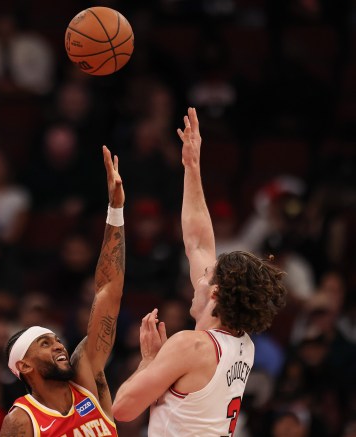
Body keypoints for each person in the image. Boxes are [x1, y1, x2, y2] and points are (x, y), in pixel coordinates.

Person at [112, 108, 288, 435]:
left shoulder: (191, 346)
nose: (200, 277)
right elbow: (198, 243)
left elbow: (123, 409)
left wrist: (149, 360)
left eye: (209, 276)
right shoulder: (242, 344)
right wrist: (191, 168)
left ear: (217, 293)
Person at [0, 146, 125, 436]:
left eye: (55, 339)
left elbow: (108, 292)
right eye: (44, 343)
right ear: (24, 365)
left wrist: (115, 211)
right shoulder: (21, 421)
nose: (59, 345)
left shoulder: (87, 379)